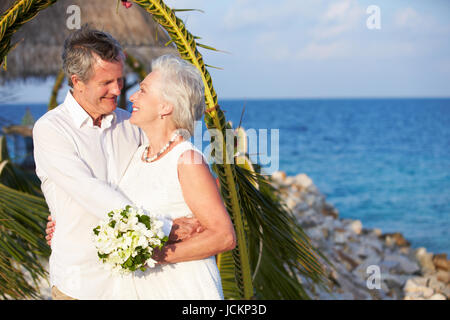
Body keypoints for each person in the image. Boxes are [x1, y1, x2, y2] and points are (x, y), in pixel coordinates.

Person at [33, 26, 203, 300]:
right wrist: (165, 228)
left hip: (135, 284)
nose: (117, 90)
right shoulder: (51, 130)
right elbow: (89, 192)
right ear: (77, 82)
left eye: (120, 80)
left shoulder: (131, 123)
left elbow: (165, 167)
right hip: (81, 285)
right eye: (105, 83)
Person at [113, 54, 236, 299]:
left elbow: (223, 236)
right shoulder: (137, 156)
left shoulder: (187, 160)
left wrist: (152, 254)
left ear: (165, 107)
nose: (132, 97)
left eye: (143, 91)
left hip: (185, 289)